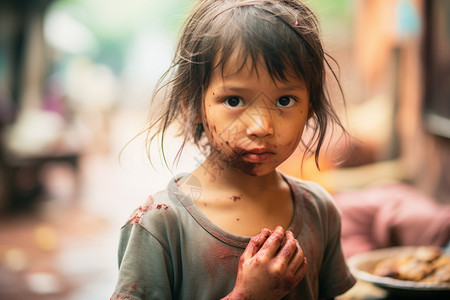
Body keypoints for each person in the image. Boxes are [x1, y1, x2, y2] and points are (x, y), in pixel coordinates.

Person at [111, 0, 355, 299]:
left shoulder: (319, 210)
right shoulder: (161, 225)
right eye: (234, 101)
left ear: (310, 108)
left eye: (284, 101)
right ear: (193, 105)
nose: (261, 126)